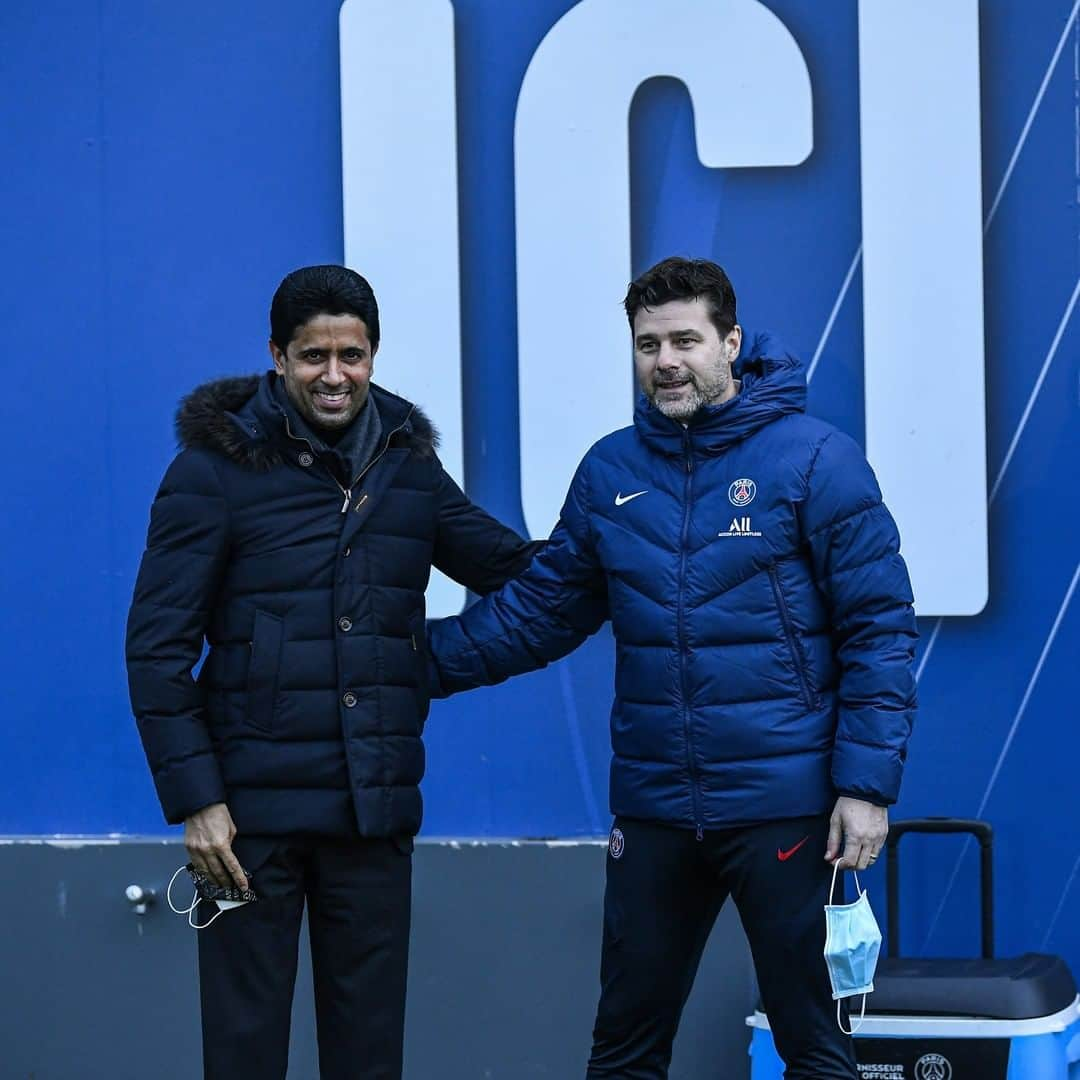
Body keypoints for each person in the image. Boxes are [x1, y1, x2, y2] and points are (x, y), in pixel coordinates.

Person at [427, 257, 918, 1079]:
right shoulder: (611, 471)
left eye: (686, 339)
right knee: (623, 1051)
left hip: (787, 812)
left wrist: (865, 789)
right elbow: (540, 612)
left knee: (818, 1052)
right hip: (656, 811)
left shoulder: (815, 461)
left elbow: (879, 629)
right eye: (648, 343)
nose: (667, 360)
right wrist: (407, 664)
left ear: (730, 341)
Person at [125, 265, 542, 1080]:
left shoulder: (408, 465)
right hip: (247, 827)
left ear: (374, 355)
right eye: (313, 356)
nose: (334, 376)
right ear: (276, 356)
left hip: (372, 813)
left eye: (351, 355)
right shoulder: (211, 473)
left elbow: (516, 570)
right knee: (243, 1055)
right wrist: (198, 803)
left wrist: (623, 549)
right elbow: (157, 648)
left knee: (368, 1058)